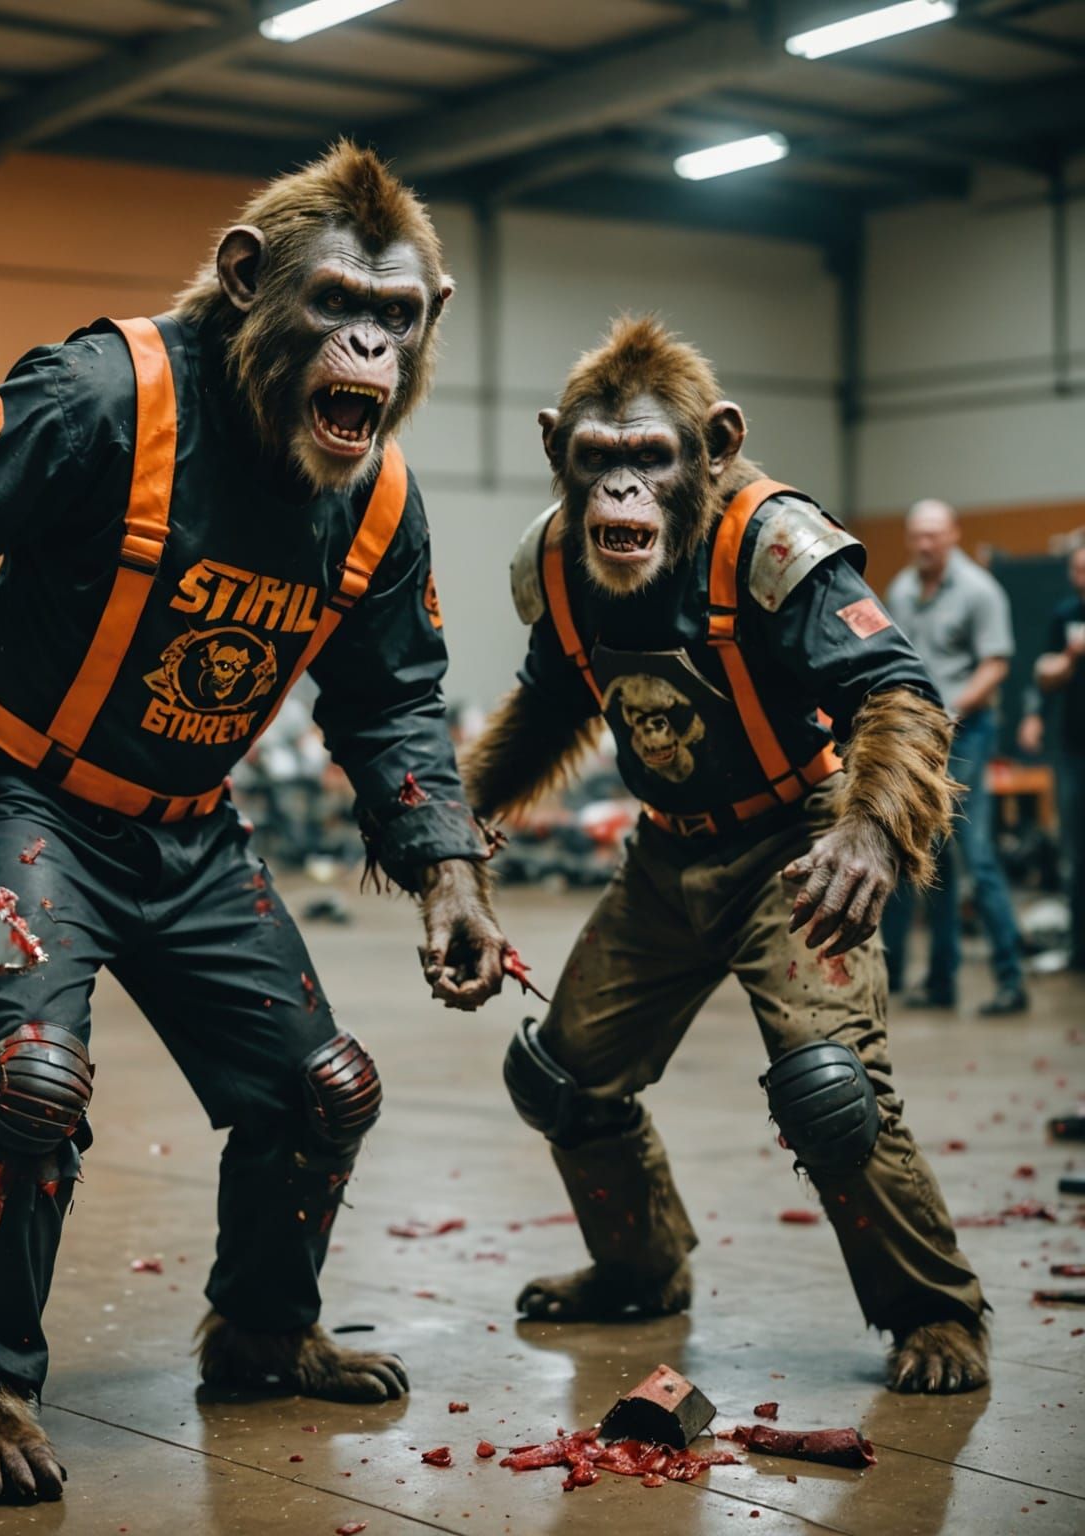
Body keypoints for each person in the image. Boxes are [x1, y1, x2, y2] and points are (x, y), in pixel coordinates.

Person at [0, 145, 508, 1502]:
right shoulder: (111, 394)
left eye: (400, 319)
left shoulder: (379, 499)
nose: (373, 350)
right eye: (340, 306)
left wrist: (448, 872)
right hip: (29, 798)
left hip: (191, 830)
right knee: (30, 1079)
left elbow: (393, 698)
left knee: (323, 1093)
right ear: (246, 282)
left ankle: (263, 1332)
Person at [464, 317, 988, 1397]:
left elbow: (900, 692)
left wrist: (870, 828)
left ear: (713, 445)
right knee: (561, 1078)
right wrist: (450, 825)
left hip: (793, 844)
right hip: (666, 859)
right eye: (596, 463)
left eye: (646, 461)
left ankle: (935, 1311)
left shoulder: (768, 539)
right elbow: (551, 704)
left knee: (829, 1092)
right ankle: (640, 1272)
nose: (618, 495)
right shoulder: (557, 564)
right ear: (557, 446)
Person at [882, 500, 1028, 1014]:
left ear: (953, 536)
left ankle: (1012, 981)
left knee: (978, 854)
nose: (925, 545)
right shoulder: (901, 589)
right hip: (921, 737)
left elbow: (996, 665)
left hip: (967, 733)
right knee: (933, 859)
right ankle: (941, 982)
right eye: (917, 536)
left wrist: (951, 710)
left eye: (934, 536)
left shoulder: (978, 591)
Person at [1019, 542, 1085, 971]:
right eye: (1079, 570)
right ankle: (1080, 950)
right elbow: (1044, 677)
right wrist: (1071, 655)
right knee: (1076, 850)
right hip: (1075, 746)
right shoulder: (1066, 616)